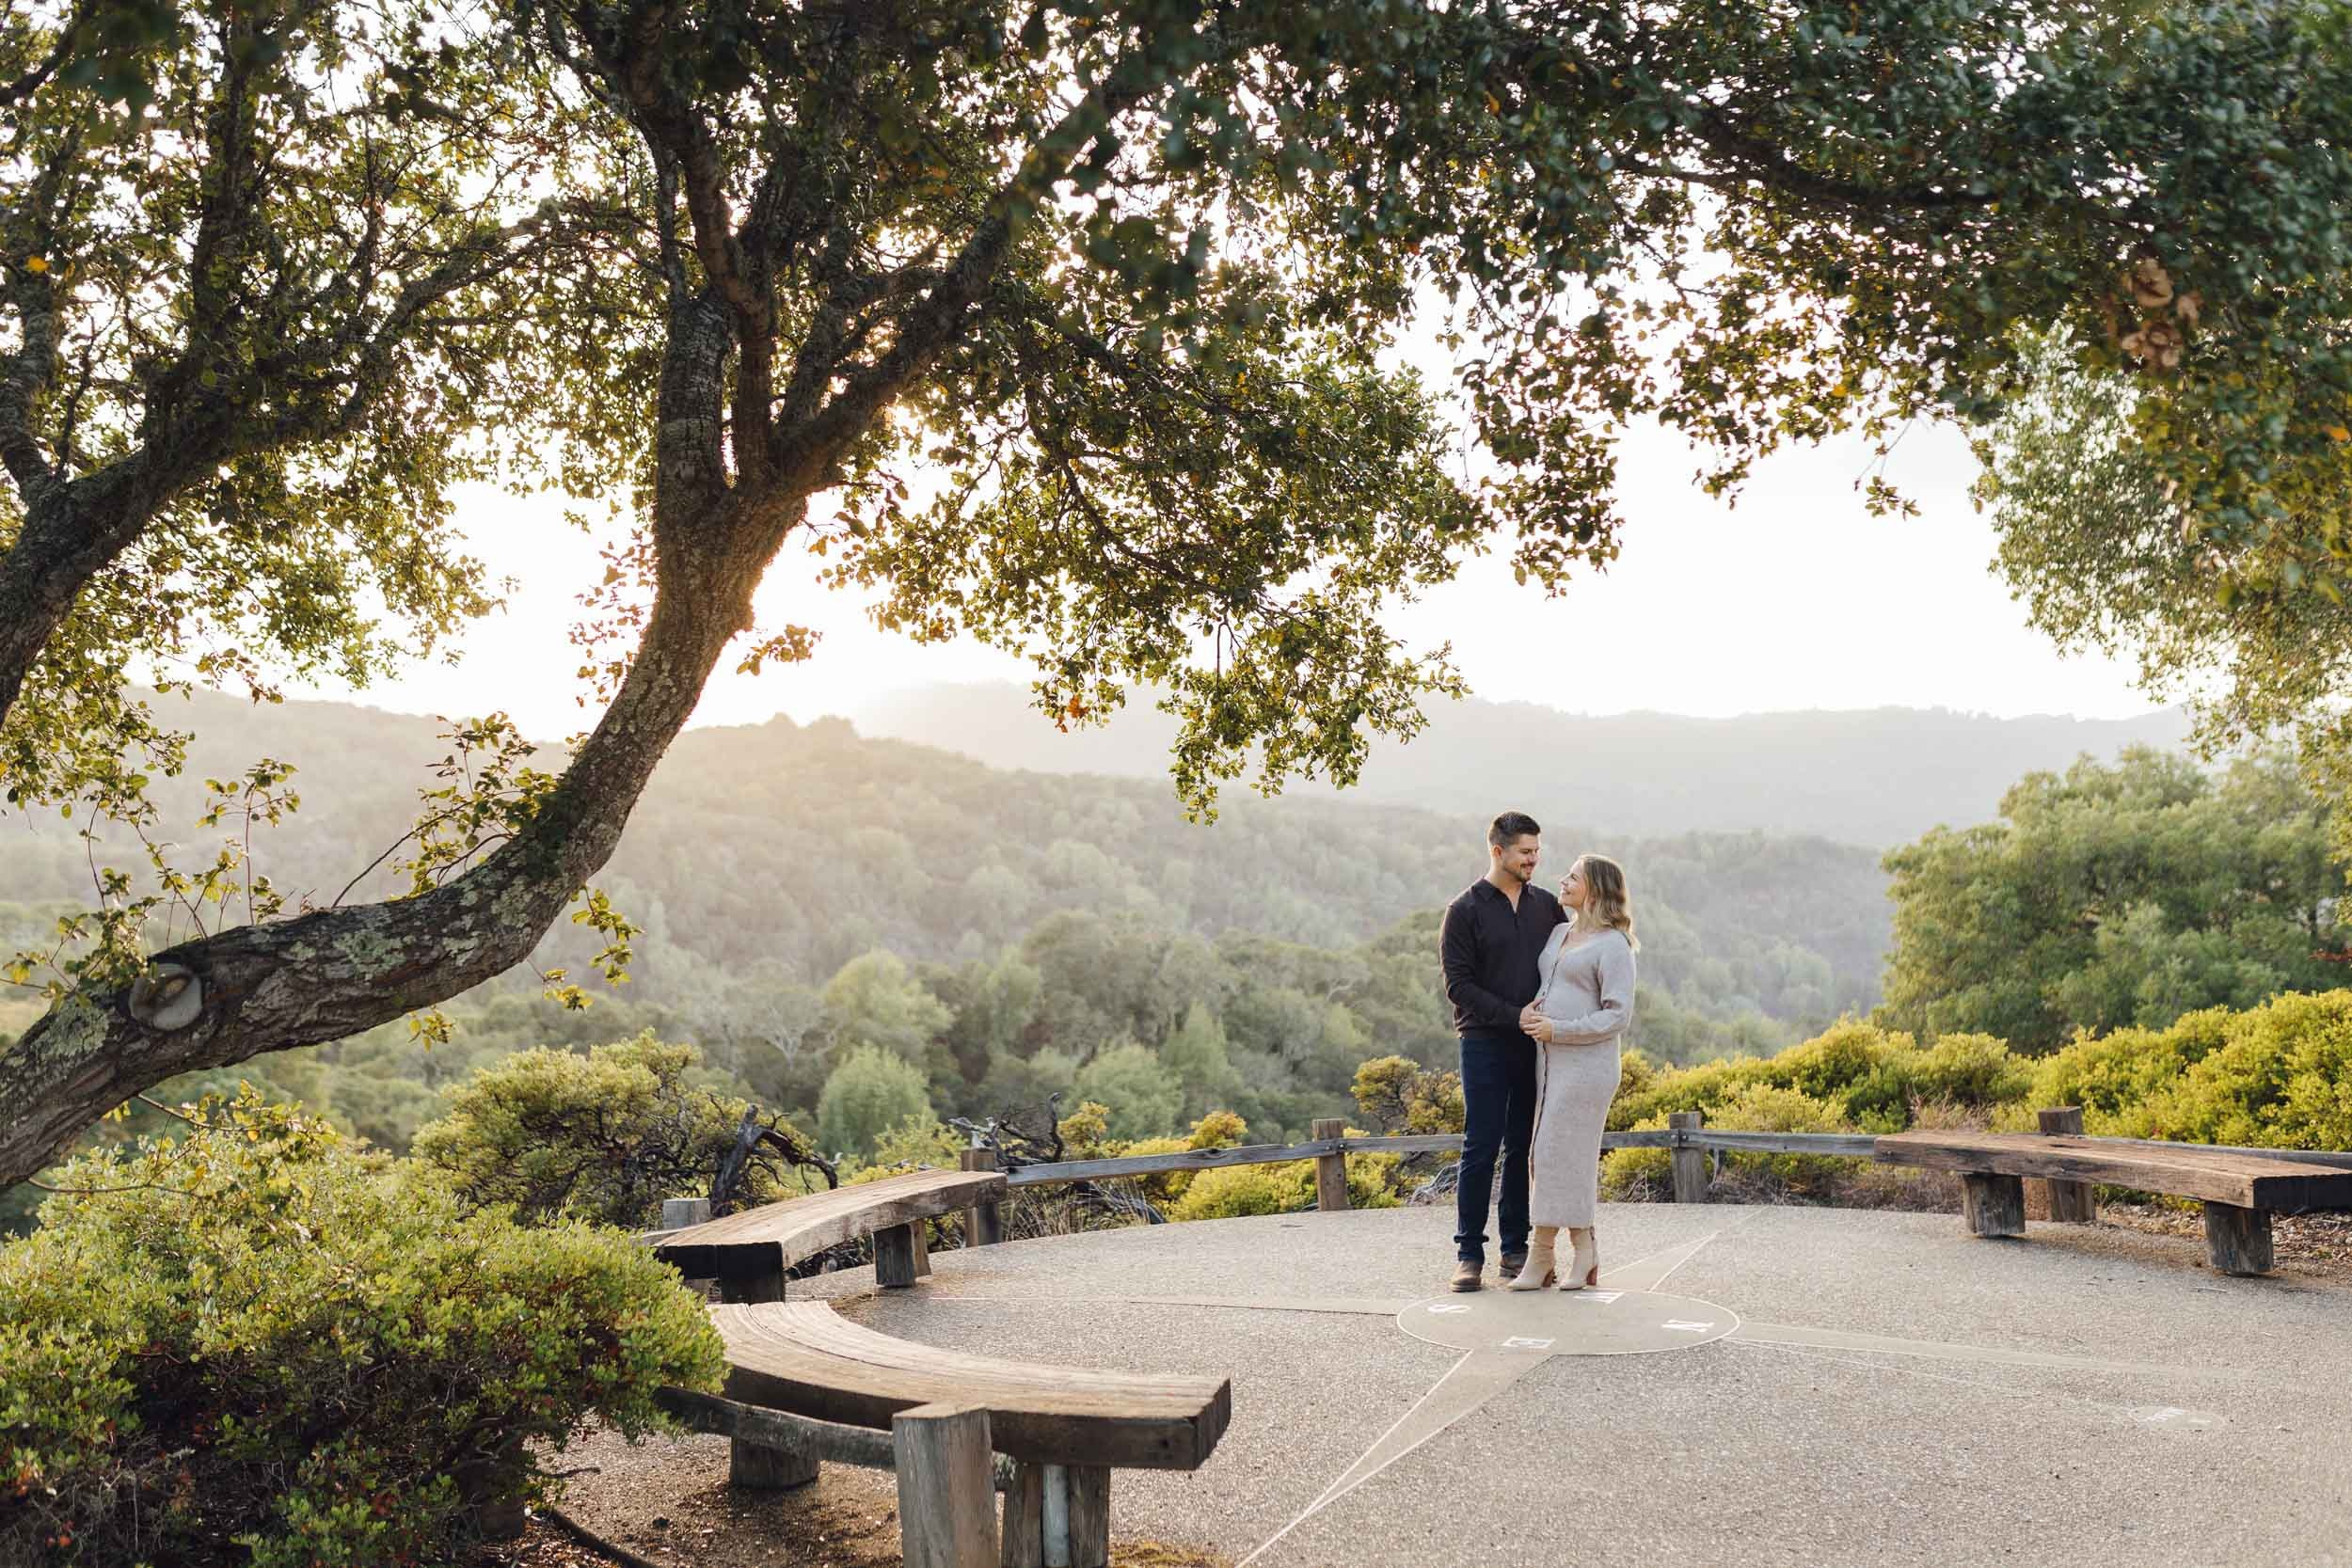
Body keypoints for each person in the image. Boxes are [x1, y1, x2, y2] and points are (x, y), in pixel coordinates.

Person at [1438, 811, 1565, 1292]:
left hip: (1535, 1043)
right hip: (1483, 1042)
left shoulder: (1547, 907)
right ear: (1498, 851)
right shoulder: (1464, 909)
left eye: (1537, 852)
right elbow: (1458, 985)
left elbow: (1567, 965)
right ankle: (1468, 1254)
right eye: (1525, 852)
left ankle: (1516, 1250)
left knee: (1521, 1147)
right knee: (1481, 1145)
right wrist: (1514, 1015)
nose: (1534, 860)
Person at [1506, 852, 1638, 1291]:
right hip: (1550, 1064)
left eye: (1573, 877)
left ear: (1595, 890)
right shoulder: (1560, 932)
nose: (1562, 881)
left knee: (1560, 1155)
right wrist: (1531, 1013)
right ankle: (1573, 1251)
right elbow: (1549, 985)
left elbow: (1617, 1016)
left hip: (1588, 1068)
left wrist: (1558, 1030)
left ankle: (1548, 1253)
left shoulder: (1614, 945)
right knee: (1547, 1155)